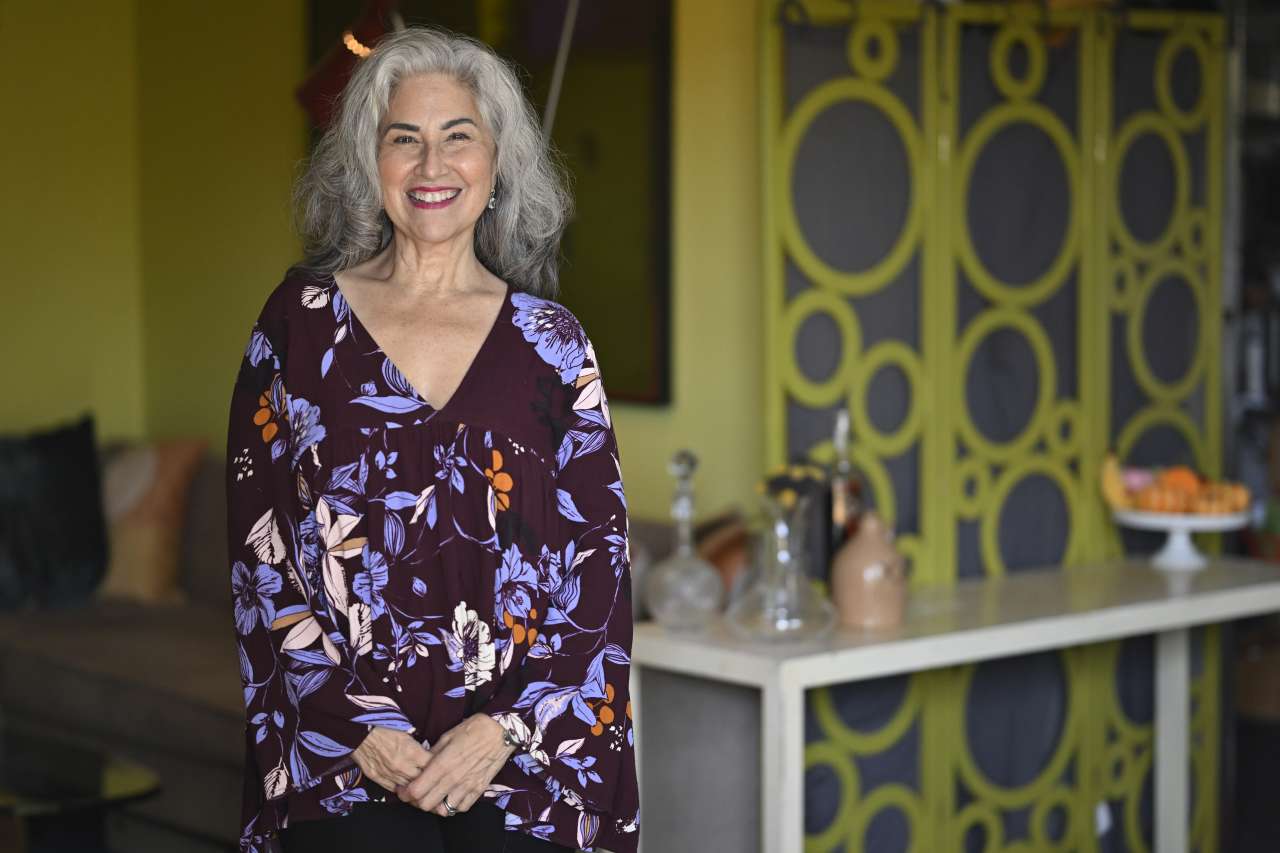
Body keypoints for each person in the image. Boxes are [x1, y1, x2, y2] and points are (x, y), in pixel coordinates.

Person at [225, 26, 638, 853]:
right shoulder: (300, 326)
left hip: (523, 764)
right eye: (403, 139)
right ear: (368, 162)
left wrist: (502, 729)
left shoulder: (553, 344)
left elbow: (600, 569)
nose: (431, 165)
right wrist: (358, 726)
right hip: (345, 760)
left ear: (497, 161)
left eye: (458, 137)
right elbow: (257, 551)